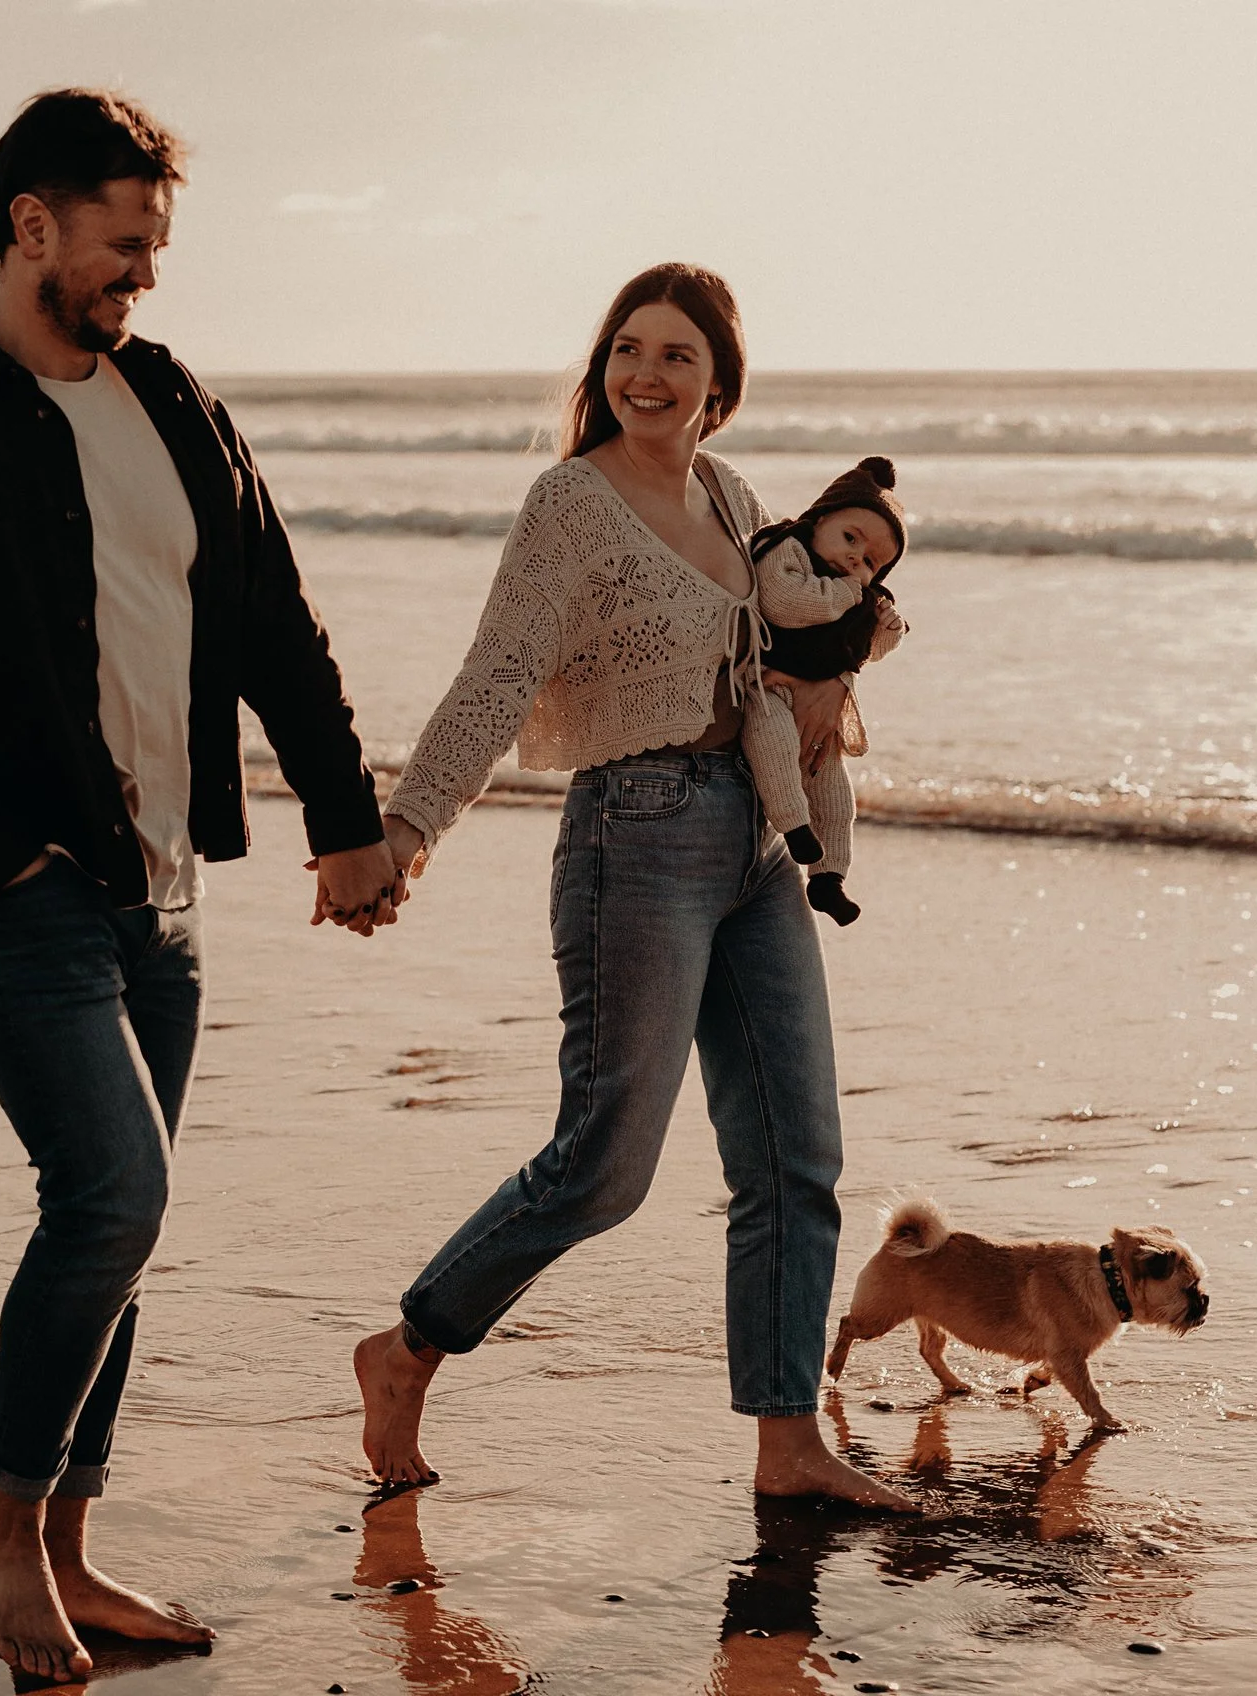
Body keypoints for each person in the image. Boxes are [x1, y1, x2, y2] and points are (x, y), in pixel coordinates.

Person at [0, 89, 404, 1686]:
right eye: (122, 241)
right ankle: (4, 1519)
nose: (144, 273)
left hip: (163, 887)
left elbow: (271, 611)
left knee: (120, 1222)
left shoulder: (169, 400)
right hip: (14, 890)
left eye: (157, 244)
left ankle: (68, 1544)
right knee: (115, 1193)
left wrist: (345, 820)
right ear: (27, 224)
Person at [350, 262, 921, 1513]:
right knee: (607, 1163)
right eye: (627, 350)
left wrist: (838, 676)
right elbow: (498, 676)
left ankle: (785, 1444)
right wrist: (406, 825)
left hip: (758, 846)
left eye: (675, 355)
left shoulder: (731, 495)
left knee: (794, 1156)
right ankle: (407, 1349)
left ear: (718, 384)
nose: (645, 375)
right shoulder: (569, 503)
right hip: (637, 836)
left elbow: (808, 628)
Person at [742, 454, 911, 927]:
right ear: (819, 519)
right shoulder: (788, 551)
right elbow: (787, 603)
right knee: (773, 745)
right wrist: (849, 594)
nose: (856, 557)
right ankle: (794, 827)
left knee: (834, 792)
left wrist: (887, 626)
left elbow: (868, 648)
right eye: (850, 537)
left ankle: (829, 877)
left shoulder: (860, 591)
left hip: (820, 707)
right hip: (767, 686)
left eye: (873, 561)